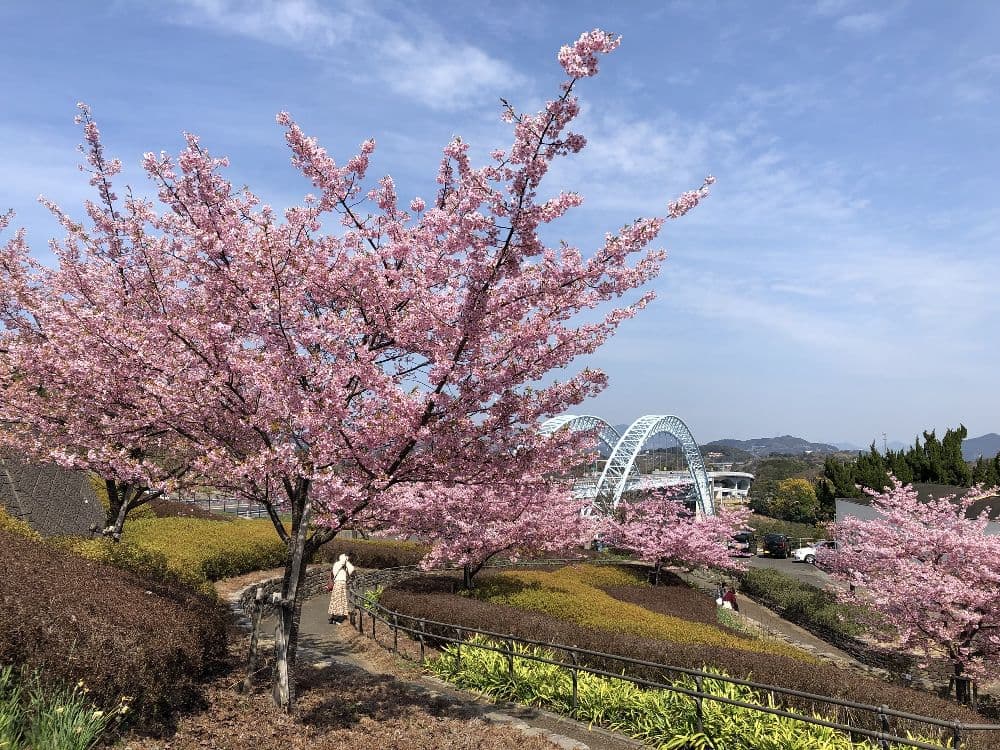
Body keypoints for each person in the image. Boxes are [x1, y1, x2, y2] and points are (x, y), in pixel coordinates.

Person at [328, 553, 355, 624]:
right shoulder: (341, 565)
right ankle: (338, 619)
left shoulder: (336, 565)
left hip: (337, 584)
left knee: (335, 600)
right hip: (341, 584)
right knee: (340, 600)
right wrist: (347, 561)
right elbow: (352, 569)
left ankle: (333, 618)